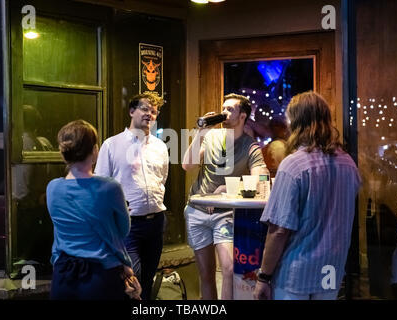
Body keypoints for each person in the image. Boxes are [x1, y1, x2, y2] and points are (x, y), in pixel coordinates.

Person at [253, 91, 361, 300]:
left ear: (296, 122)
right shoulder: (348, 164)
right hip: (331, 270)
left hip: (296, 274)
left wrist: (263, 277)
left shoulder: (293, 165)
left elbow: (278, 231)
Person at [182, 93, 265, 300]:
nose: (224, 112)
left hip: (225, 214)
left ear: (243, 116)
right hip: (197, 210)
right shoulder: (211, 137)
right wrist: (200, 133)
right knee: (206, 274)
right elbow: (187, 165)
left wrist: (229, 190)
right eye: (223, 108)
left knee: (228, 269)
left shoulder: (250, 146)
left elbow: (260, 181)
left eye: (230, 109)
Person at [46, 120, 138, 300]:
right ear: (94, 151)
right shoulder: (109, 188)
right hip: (100, 276)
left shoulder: (53, 188)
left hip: (63, 275)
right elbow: (123, 231)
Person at [95, 92, 169, 300]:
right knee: (131, 280)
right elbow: (102, 186)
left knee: (147, 280)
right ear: (131, 111)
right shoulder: (112, 145)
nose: (150, 114)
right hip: (127, 226)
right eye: (145, 109)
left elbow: (161, 180)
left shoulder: (161, 147)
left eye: (154, 112)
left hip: (156, 222)